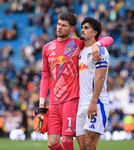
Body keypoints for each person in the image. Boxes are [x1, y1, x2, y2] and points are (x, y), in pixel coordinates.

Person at [39, 12, 113, 150]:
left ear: (71, 28)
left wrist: (98, 43)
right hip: (74, 103)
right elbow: (45, 75)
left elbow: (109, 39)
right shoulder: (78, 49)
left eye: (64, 25)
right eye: (58, 24)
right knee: (81, 146)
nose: (59, 27)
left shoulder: (87, 47)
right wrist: (41, 104)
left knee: (86, 143)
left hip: (83, 101)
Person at [76, 17, 112, 150]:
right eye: (82, 27)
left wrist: (93, 102)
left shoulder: (100, 51)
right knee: (83, 147)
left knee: (89, 143)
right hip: (80, 104)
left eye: (86, 28)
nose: (82, 30)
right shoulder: (79, 51)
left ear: (94, 33)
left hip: (96, 102)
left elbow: (101, 78)